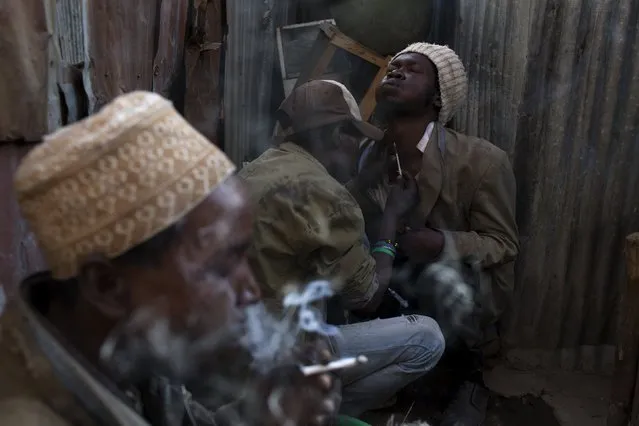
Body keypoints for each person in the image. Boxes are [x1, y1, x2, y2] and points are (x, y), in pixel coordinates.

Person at [1, 91, 339, 426]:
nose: (251, 291)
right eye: (221, 267)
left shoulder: (127, 350)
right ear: (108, 286)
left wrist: (264, 416)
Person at [238, 79, 446, 418]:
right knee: (427, 338)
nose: (359, 150)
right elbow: (368, 298)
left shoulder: (259, 166)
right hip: (278, 360)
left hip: (233, 352)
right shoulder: (331, 198)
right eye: (356, 139)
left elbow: (309, 214)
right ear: (338, 136)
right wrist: (391, 219)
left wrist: (359, 184)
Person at [350, 43, 519, 425]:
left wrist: (442, 243)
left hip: (452, 285)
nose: (395, 72)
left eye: (412, 70)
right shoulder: (368, 152)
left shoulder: (482, 161)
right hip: (390, 272)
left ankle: (468, 380)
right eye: (393, 67)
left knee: (443, 278)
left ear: (439, 96)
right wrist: (361, 183)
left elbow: (504, 244)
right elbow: (345, 218)